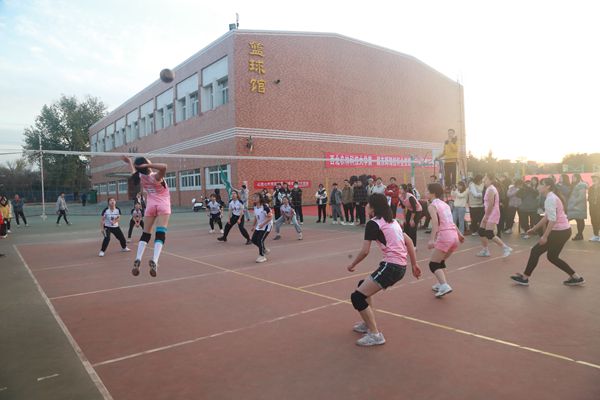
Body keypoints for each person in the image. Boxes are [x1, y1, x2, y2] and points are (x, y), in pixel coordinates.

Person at [347, 193, 421, 346]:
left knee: (357, 297)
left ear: (373, 208)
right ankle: (368, 324)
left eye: (368, 204)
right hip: (399, 266)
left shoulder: (373, 224)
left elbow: (365, 251)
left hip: (391, 266)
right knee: (362, 287)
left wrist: (352, 264)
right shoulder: (393, 221)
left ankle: (375, 334)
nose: (366, 206)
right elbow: (409, 242)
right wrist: (414, 264)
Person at [510, 178, 585, 286]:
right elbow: (546, 217)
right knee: (552, 257)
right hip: (564, 231)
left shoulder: (550, 199)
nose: (538, 186)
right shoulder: (551, 197)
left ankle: (525, 278)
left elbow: (552, 220)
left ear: (548, 186)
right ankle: (576, 277)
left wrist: (545, 236)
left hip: (559, 232)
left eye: (541, 184)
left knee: (535, 251)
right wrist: (534, 229)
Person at [121, 156, 170, 277]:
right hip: (163, 205)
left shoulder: (141, 177)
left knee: (146, 234)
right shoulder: (155, 176)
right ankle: (155, 260)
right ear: (146, 164)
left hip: (151, 206)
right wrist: (147, 165)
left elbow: (134, 172)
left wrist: (130, 162)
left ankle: (138, 258)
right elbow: (164, 167)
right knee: (160, 233)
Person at [427, 183, 465, 297]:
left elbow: (435, 223)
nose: (425, 192)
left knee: (433, 264)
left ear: (432, 193)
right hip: (454, 237)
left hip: (445, 236)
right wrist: (459, 234)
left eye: (427, 191)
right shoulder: (445, 204)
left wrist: (431, 239)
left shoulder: (432, 206)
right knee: (440, 261)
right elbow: (451, 221)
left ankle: (444, 285)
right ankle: (441, 283)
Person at [477, 173, 512, 257]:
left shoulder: (491, 189)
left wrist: (486, 216)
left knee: (489, 233)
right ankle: (485, 250)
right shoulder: (489, 188)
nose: (483, 180)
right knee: (481, 231)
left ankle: (505, 248)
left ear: (490, 180)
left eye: (485, 179)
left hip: (492, 213)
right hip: (489, 212)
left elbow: (491, 204)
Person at [251, 193, 273, 263]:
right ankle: (264, 249)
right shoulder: (255, 207)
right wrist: (253, 226)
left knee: (260, 240)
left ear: (260, 198)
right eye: (253, 197)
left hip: (267, 225)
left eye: (256, 197)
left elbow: (270, 217)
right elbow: (256, 217)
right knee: (253, 240)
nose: (254, 198)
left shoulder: (265, 207)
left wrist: (263, 224)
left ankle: (262, 256)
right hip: (259, 225)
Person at [399, 184, 422, 248]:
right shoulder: (400, 197)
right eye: (399, 188)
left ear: (405, 190)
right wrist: (404, 218)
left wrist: (412, 219)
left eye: (401, 188)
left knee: (412, 228)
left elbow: (414, 209)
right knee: (406, 226)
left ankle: (414, 246)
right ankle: (407, 244)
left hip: (417, 211)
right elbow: (403, 208)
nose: (400, 190)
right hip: (410, 210)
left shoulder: (410, 197)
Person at [567, 173, 588, 241]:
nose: (572, 179)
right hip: (575, 206)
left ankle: (579, 234)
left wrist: (573, 203)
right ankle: (579, 235)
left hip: (578, 206)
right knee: (579, 220)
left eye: (573, 177)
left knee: (579, 220)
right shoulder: (574, 185)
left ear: (577, 178)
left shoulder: (581, 185)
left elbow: (581, 197)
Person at [588, 174, 600, 242]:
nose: (593, 179)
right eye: (593, 178)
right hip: (592, 207)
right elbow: (589, 197)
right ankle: (596, 235)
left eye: (595, 178)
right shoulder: (591, 188)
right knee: (593, 221)